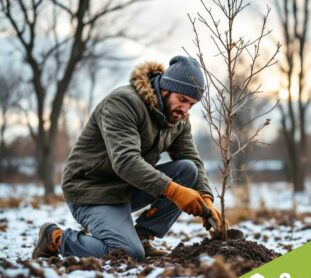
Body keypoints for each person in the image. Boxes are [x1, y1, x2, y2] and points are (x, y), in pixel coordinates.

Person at [32, 56, 222, 260]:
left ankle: (143, 236)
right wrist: (174, 191)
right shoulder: (123, 102)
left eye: (191, 104)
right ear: (165, 88)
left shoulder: (178, 119)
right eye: (182, 100)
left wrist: (206, 199)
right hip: (91, 191)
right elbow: (125, 161)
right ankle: (56, 238)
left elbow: (191, 158)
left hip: (126, 188)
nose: (185, 109)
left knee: (188, 170)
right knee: (128, 253)